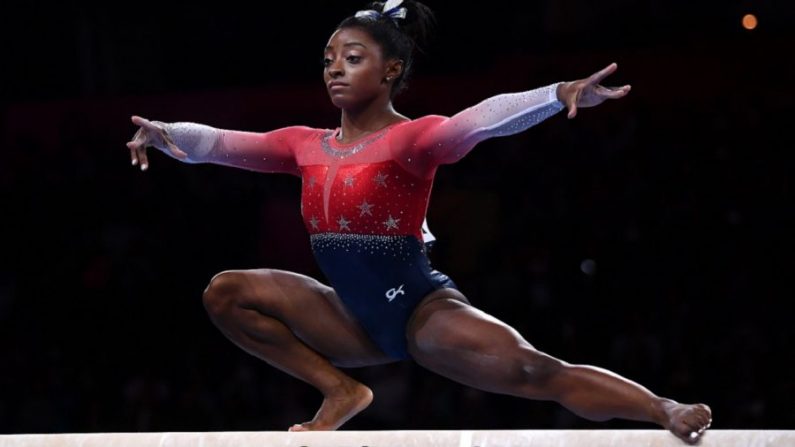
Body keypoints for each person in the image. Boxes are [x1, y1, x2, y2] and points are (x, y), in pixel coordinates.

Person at [126, 0, 711, 443]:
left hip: (420, 313)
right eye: (329, 60)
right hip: (345, 317)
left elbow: (480, 120)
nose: (335, 70)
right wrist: (165, 133)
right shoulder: (305, 144)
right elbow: (224, 144)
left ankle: (663, 410)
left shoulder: (412, 139)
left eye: (353, 59)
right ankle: (341, 391)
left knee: (538, 371)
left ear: (391, 70)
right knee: (226, 292)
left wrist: (558, 93)